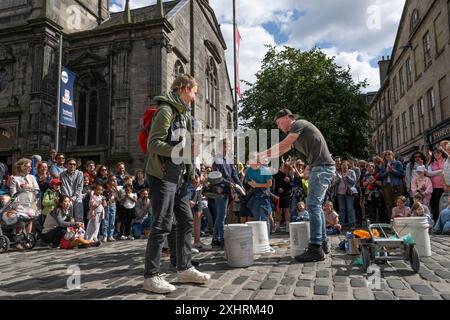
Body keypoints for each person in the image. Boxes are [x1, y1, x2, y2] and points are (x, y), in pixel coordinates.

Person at [143, 74, 210, 294]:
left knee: (186, 220)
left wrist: (191, 171)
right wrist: (183, 152)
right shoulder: (166, 110)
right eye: (193, 92)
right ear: (183, 88)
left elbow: (189, 150)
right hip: (162, 176)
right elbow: (154, 144)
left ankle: (184, 268)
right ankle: (151, 276)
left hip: (180, 177)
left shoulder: (185, 115)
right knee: (162, 223)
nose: (194, 97)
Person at [258, 109, 336, 262]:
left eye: (279, 123)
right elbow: (284, 149)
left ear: (288, 118)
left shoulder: (298, 124)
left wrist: (261, 155)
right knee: (316, 206)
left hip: (322, 167)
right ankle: (323, 243)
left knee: (312, 205)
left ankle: (316, 247)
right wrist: (265, 158)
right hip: (318, 167)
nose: (279, 127)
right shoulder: (296, 132)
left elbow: (283, 145)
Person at [211, 139, 243, 247]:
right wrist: (228, 183)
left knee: (220, 215)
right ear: (220, 148)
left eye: (229, 146)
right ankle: (221, 239)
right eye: (226, 146)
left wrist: (241, 187)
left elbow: (234, 175)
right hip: (220, 191)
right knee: (222, 216)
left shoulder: (229, 160)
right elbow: (216, 176)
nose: (228, 148)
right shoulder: (216, 161)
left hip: (228, 191)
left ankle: (215, 238)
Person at [245, 155, 274, 236]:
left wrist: (256, 185)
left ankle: (266, 238)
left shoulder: (265, 170)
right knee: (257, 218)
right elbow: (248, 181)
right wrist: (251, 184)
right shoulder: (248, 171)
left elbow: (270, 183)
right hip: (254, 195)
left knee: (265, 218)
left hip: (264, 195)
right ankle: (260, 238)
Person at [379, 151, 405, 219]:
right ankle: (392, 220)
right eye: (386, 155)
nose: (388, 156)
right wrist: (387, 172)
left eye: (389, 154)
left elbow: (402, 174)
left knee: (398, 202)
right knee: (388, 203)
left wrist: (392, 170)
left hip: (397, 185)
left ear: (393, 155)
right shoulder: (383, 165)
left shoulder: (398, 163)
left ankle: (399, 219)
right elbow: (381, 176)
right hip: (386, 185)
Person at [333, 160, 357, 228]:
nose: (344, 168)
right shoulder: (337, 173)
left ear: (347, 166)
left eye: (345, 166)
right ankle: (341, 224)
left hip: (349, 193)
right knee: (341, 209)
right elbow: (334, 183)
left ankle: (352, 224)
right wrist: (339, 179)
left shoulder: (351, 172)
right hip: (340, 193)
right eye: (342, 166)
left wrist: (347, 176)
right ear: (340, 166)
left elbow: (354, 182)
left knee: (350, 208)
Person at [60, 158, 84, 223]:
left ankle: (80, 232)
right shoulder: (62, 174)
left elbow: (80, 186)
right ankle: (69, 233)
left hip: (77, 198)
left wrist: (74, 197)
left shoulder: (80, 174)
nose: (72, 165)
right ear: (66, 165)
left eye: (74, 164)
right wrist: (68, 198)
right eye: (70, 164)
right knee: (68, 218)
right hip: (67, 199)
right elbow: (63, 186)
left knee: (79, 218)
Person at [428, 148, 447, 222]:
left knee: (444, 203)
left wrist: (435, 172)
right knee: (436, 204)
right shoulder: (431, 162)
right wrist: (440, 171)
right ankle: (436, 220)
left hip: (445, 186)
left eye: (438, 153)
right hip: (435, 187)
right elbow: (429, 173)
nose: (436, 154)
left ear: (441, 153)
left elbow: (446, 170)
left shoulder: (445, 160)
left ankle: (444, 220)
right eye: (435, 153)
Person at [273, 162, 293, 232]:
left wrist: (288, 182)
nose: (288, 170)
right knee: (278, 211)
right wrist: (278, 189)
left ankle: (288, 226)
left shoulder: (289, 175)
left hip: (286, 195)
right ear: (284, 168)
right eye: (287, 169)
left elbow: (291, 186)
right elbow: (273, 184)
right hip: (277, 195)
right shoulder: (276, 174)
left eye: (289, 169)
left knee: (286, 210)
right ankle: (277, 226)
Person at [102, 175, 119, 242]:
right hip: (107, 206)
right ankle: (105, 236)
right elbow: (104, 199)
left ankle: (110, 235)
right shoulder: (105, 191)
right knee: (106, 221)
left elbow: (118, 199)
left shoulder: (115, 190)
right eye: (110, 182)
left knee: (112, 221)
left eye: (114, 181)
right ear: (107, 184)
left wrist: (116, 189)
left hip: (113, 206)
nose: (112, 183)